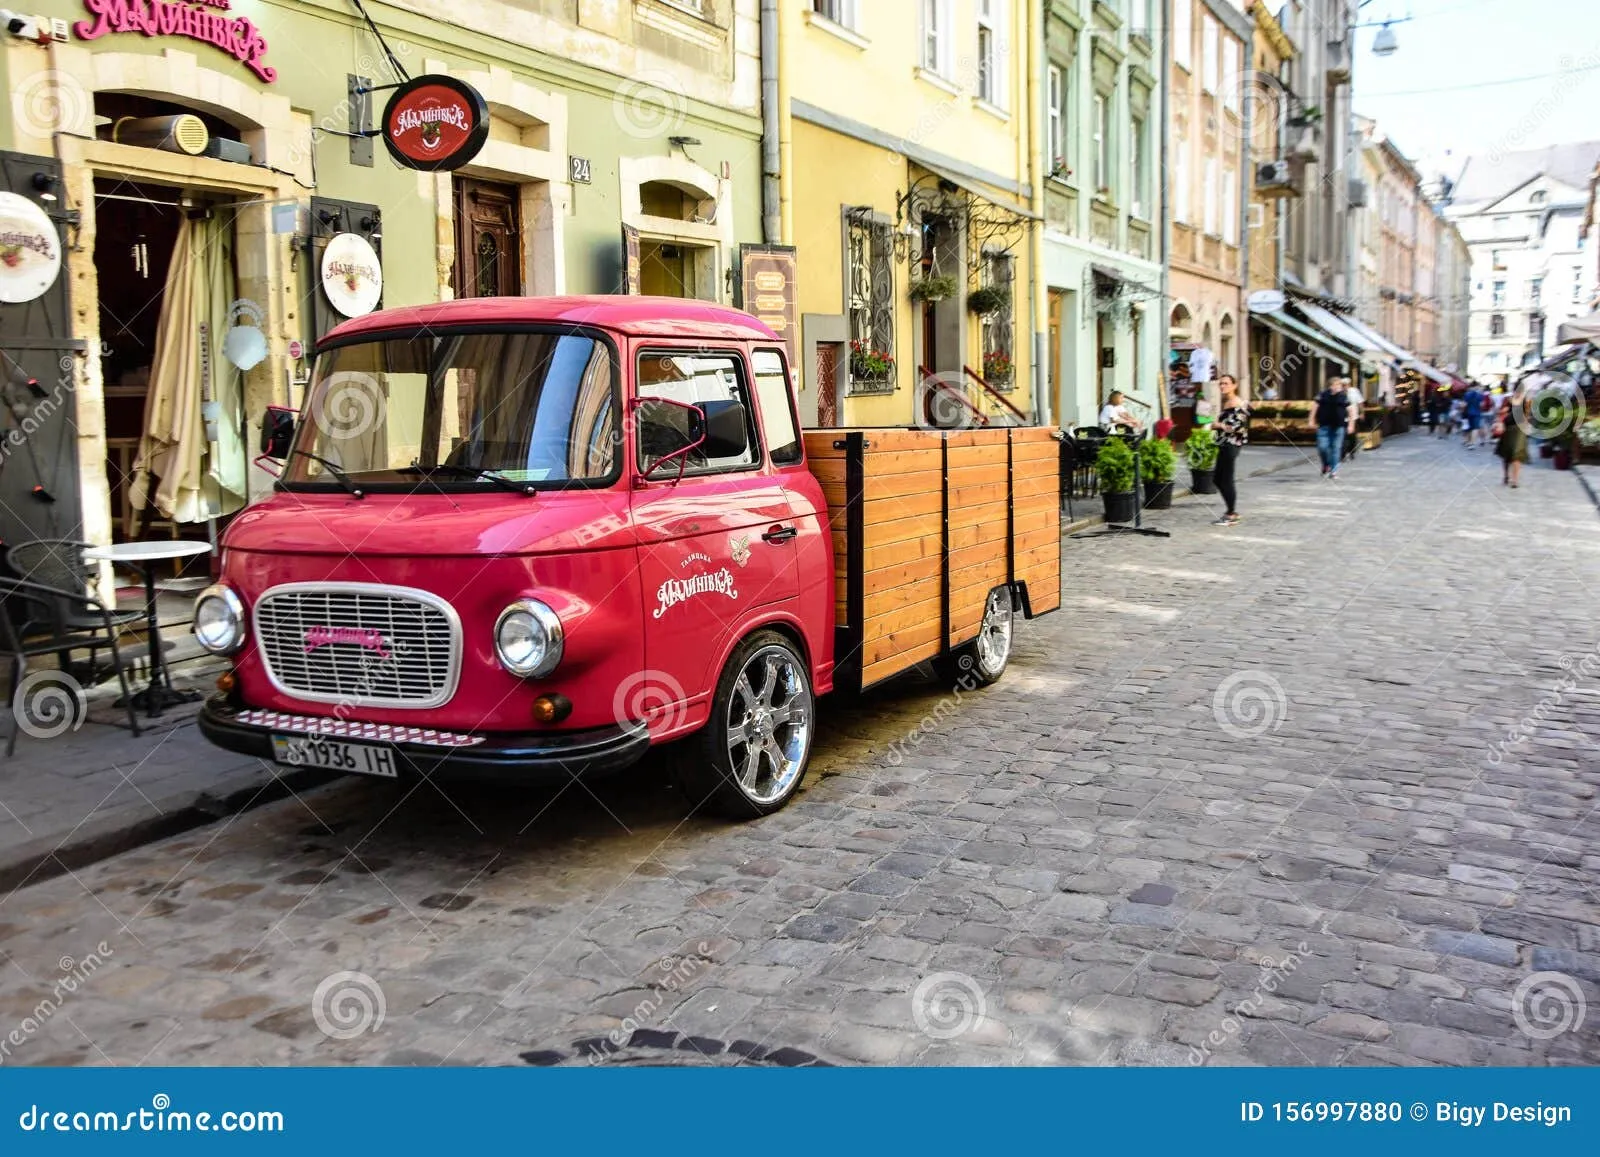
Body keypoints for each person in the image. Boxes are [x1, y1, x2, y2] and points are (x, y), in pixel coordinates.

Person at [1211, 374, 1249, 526]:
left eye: (1226, 383)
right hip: (1224, 444)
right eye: (1220, 384)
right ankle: (1230, 511)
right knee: (1217, 479)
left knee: (1225, 479)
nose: (1222, 386)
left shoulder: (1238, 403)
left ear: (1234, 385)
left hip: (1231, 445)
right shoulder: (1227, 402)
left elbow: (1238, 427)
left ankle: (1232, 513)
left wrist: (1218, 425)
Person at [1310, 377, 1357, 478]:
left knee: (1336, 448)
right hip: (1324, 426)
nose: (1336, 387)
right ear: (1330, 386)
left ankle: (1333, 470)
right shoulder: (1323, 395)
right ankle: (1326, 464)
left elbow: (1351, 410)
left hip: (1339, 427)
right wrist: (1311, 420)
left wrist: (1351, 425)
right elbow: (1315, 406)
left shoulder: (1344, 397)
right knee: (1323, 448)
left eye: (1339, 385)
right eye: (1334, 385)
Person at [1495, 386, 1530, 487]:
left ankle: (1515, 480)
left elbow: (1527, 415)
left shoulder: (1525, 401)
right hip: (1508, 429)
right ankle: (1506, 476)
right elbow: (1500, 412)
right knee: (1507, 455)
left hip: (1519, 430)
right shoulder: (1508, 400)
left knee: (1516, 455)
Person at [1462, 380, 1484, 448]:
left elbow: (1464, 405)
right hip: (1477, 413)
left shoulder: (1467, 394)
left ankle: (1468, 441)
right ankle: (1472, 443)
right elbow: (1481, 405)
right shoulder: (1480, 395)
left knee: (1469, 428)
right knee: (1475, 428)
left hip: (1468, 413)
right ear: (1477, 386)